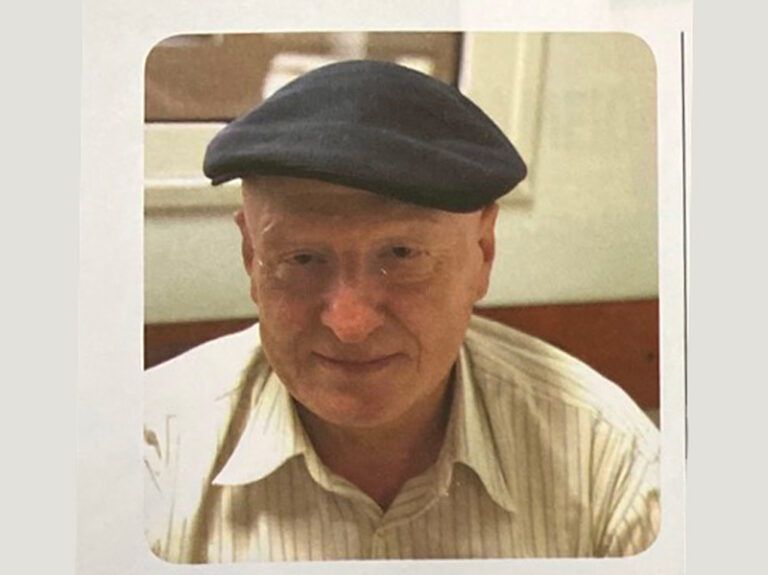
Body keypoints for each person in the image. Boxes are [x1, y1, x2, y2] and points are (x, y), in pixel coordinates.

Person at [143, 60, 659, 563]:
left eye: (402, 254)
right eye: (301, 259)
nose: (349, 324)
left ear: (483, 253)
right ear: (251, 256)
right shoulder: (150, 456)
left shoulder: (607, 461)